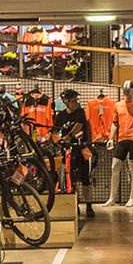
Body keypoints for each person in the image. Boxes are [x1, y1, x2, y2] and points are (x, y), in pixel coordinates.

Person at [102, 81, 133, 207]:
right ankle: (112, 198)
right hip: (121, 139)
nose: (126, 93)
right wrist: (110, 138)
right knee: (115, 166)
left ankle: (132, 197)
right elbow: (115, 122)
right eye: (124, 90)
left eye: (128, 90)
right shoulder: (117, 105)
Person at [52, 88, 92, 218]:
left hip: (81, 148)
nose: (76, 103)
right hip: (67, 150)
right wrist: (58, 141)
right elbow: (54, 133)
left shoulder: (80, 112)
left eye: (77, 100)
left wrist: (68, 137)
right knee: (71, 179)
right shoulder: (60, 116)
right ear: (66, 101)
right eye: (73, 101)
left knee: (86, 178)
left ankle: (89, 205)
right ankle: (76, 204)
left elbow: (79, 126)